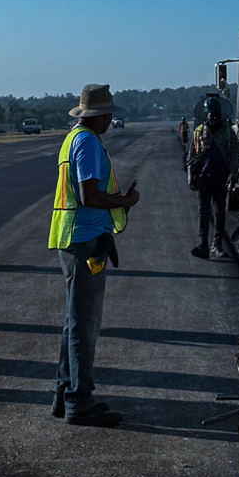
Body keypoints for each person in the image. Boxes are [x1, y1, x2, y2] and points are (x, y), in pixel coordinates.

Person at [48, 83, 139, 428]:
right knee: (85, 325)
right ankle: (79, 402)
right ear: (98, 116)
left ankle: (65, 394)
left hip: (76, 240)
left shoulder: (75, 139)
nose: (111, 120)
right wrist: (125, 202)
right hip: (84, 241)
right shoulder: (86, 142)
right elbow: (89, 196)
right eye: (109, 115)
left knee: (75, 322)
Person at [188, 93, 237, 261]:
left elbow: (235, 154)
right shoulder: (199, 132)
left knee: (220, 212)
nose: (214, 118)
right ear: (206, 115)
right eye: (211, 115)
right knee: (204, 212)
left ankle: (217, 245)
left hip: (221, 179)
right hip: (203, 179)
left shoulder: (228, 132)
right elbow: (192, 155)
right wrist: (191, 176)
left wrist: (234, 173)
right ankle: (203, 245)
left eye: (216, 115)